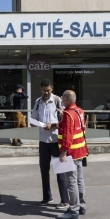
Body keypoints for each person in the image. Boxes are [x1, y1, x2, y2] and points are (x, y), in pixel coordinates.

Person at [30, 78, 69, 208]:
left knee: (61, 171)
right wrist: (36, 123)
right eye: (44, 90)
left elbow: (65, 120)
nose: (46, 92)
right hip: (43, 141)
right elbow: (33, 120)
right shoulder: (37, 102)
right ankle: (47, 197)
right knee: (44, 170)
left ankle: (65, 200)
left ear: (52, 88)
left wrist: (52, 125)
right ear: (40, 89)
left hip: (56, 141)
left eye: (48, 90)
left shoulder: (58, 101)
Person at [56, 90, 89, 219]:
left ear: (65, 99)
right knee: (79, 180)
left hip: (71, 153)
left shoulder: (67, 114)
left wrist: (64, 152)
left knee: (71, 183)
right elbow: (82, 128)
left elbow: (67, 135)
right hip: (80, 150)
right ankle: (82, 206)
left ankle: (73, 209)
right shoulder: (79, 111)